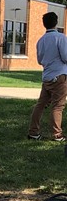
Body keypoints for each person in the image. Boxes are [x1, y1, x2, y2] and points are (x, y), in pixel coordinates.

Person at [28, 12, 67, 142]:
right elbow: (65, 57)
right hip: (60, 76)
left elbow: (40, 60)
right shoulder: (61, 38)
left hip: (47, 77)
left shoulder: (40, 41)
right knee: (58, 106)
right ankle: (57, 134)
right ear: (56, 22)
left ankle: (33, 132)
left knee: (40, 105)